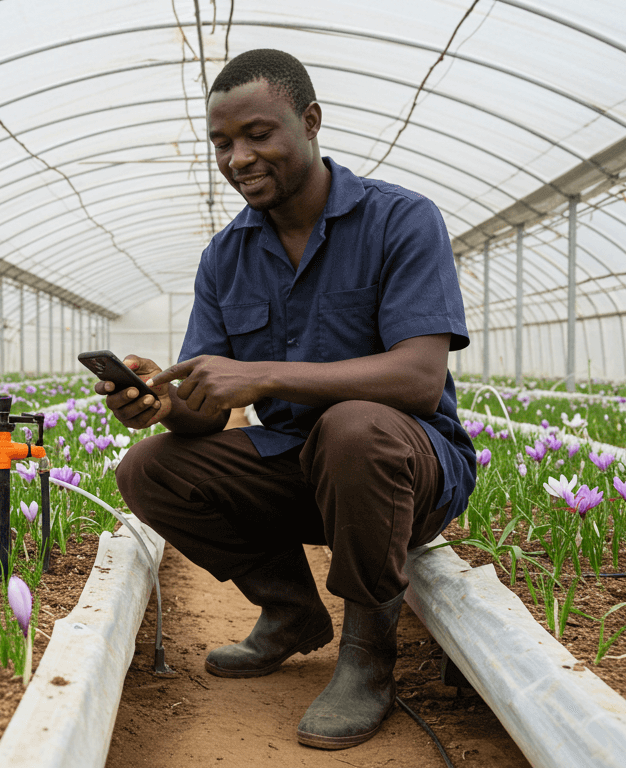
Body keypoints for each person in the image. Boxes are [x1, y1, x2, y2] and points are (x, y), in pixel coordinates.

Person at [100, 49, 477, 750]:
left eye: (258, 134)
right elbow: (210, 408)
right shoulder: (227, 255)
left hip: (403, 474)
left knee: (354, 428)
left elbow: (420, 380)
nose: (238, 156)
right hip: (304, 468)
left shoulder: (400, 220)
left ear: (310, 122)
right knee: (148, 468)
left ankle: (367, 657)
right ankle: (290, 610)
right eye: (221, 142)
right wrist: (162, 405)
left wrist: (268, 377)